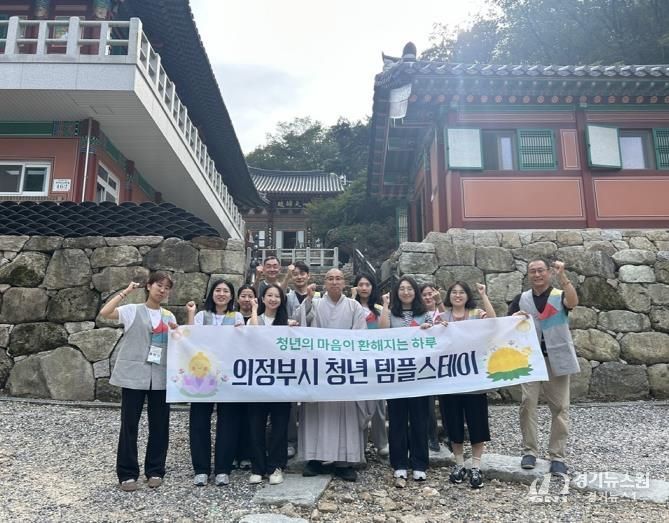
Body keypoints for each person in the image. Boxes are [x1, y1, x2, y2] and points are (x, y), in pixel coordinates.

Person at [100, 272, 177, 492]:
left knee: (160, 425)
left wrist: (178, 331)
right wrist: (126, 292)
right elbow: (105, 312)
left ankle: (155, 470)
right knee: (129, 424)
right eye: (159, 285)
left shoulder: (169, 316)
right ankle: (127, 473)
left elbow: (181, 341)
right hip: (134, 375)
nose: (162, 290)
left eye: (167, 287)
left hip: (160, 376)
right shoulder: (132, 310)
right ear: (149, 286)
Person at [296, 268, 372, 482]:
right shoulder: (315, 303)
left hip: (343, 370)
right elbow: (301, 323)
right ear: (324, 282)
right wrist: (307, 301)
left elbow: (360, 335)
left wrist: (343, 355)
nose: (334, 282)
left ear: (344, 283)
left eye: (338, 278)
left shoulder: (354, 306)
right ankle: (314, 459)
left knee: (345, 414)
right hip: (319, 370)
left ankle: (344, 462)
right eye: (330, 278)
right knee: (316, 413)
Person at [508, 258, 579, 476]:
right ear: (528, 274)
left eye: (541, 270)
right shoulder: (522, 299)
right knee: (528, 403)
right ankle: (529, 451)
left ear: (548, 272)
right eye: (533, 271)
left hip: (557, 357)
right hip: (530, 359)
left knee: (560, 407)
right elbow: (507, 324)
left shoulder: (559, 295)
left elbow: (573, 302)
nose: (537, 275)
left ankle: (557, 456)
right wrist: (514, 318)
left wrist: (563, 276)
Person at [379, 276, 437, 488]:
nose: (405, 292)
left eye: (409, 288)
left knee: (420, 420)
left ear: (416, 292)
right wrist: (386, 305)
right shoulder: (391, 313)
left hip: (420, 376)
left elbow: (437, 337)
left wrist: (429, 329)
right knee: (397, 421)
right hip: (397, 376)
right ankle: (399, 464)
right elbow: (382, 332)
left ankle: (420, 463)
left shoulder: (425, 314)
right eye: (401, 289)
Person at [185, 280, 244, 487]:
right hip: (202, 375)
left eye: (226, 291)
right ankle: (201, 469)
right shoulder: (202, 316)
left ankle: (223, 468)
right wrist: (191, 314)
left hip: (227, 375)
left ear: (231, 296)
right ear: (212, 294)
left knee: (228, 422)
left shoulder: (236, 317)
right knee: (199, 421)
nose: (221, 294)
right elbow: (190, 337)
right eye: (218, 290)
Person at [438, 281, 495, 489]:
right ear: (449, 296)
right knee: (453, 423)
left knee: (477, 422)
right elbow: (431, 339)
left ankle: (476, 466)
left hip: (474, 380)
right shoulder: (441, 317)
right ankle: (459, 464)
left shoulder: (477, 314)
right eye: (454, 292)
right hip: (450, 381)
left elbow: (494, 323)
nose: (458, 295)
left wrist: (484, 295)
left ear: (467, 295)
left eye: (461, 292)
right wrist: (432, 328)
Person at [247, 284, 295, 485]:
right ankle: (257, 467)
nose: (273, 299)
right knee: (255, 426)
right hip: (258, 382)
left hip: (281, 383)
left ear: (282, 300)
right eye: (269, 295)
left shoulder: (288, 323)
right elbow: (255, 334)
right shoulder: (253, 320)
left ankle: (276, 466)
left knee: (279, 427)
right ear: (263, 298)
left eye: (277, 296)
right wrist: (253, 310)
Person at [352, 273, 389, 457]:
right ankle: (358, 444)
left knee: (379, 405)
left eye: (367, 284)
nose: (364, 288)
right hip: (355, 361)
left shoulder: (379, 309)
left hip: (375, 361)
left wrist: (386, 305)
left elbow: (384, 330)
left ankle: (381, 442)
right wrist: (352, 299)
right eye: (360, 284)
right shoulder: (350, 307)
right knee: (358, 405)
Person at [420, 283, 446, 453]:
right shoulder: (419, 315)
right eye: (424, 295)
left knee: (446, 401)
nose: (428, 297)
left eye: (431, 294)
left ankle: (449, 434)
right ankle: (432, 437)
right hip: (426, 362)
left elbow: (450, 322)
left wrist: (440, 302)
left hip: (444, 361)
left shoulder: (442, 311)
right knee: (429, 403)